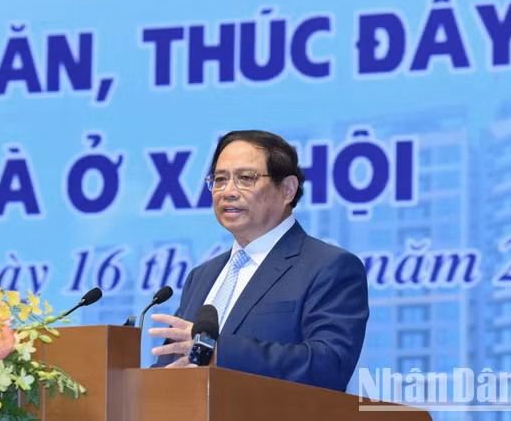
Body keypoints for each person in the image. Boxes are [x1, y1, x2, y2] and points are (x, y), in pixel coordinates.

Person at [149, 130, 369, 392]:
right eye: (220, 179)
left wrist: (220, 353)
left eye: (245, 178)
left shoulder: (329, 267)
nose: (228, 191)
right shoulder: (202, 276)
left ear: (287, 189)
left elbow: (329, 365)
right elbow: (173, 364)